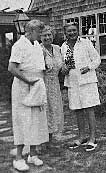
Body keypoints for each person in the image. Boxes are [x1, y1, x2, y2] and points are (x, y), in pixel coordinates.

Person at [8, 20, 49, 171]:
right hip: (23, 87)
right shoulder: (19, 45)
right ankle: (19, 158)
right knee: (23, 120)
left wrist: (38, 84)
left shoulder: (37, 45)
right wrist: (28, 81)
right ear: (30, 31)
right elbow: (12, 68)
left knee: (36, 120)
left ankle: (32, 154)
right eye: (39, 32)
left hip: (37, 86)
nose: (41, 35)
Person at [61, 22, 101, 151]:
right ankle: (82, 136)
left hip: (87, 80)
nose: (72, 33)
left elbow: (97, 59)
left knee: (89, 109)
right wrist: (64, 69)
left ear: (77, 31)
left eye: (74, 30)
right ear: (65, 33)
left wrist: (88, 67)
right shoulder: (63, 46)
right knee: (78, 110)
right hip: (72, 82)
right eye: (69, 31)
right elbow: (63, 65)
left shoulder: (86, 43)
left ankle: (92, 138)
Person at [40, 25, 64, 146]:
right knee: (43, 111)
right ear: (40, 36)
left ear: (53, 36)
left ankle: (49, 139)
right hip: (42, 83)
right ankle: (40, 141)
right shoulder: (38, 49)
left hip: (54, 84)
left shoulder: (57, 48)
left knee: (53, 110)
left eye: (49, 35)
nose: (47, 37)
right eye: (44, 35)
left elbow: (62, 65)